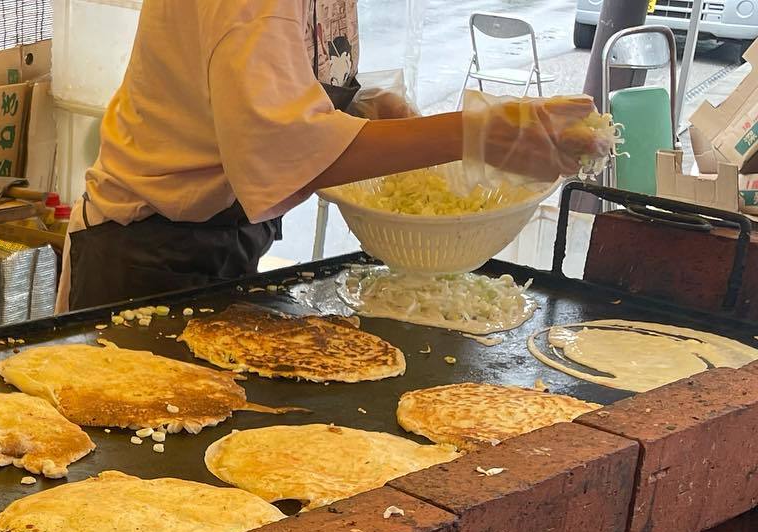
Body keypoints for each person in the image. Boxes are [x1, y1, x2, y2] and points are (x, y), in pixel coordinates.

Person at [61, 0, 608, 311]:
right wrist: (483, 135)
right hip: (146, 254)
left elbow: (263, 79)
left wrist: (360, 101)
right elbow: (287, 151)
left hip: (223, 236)